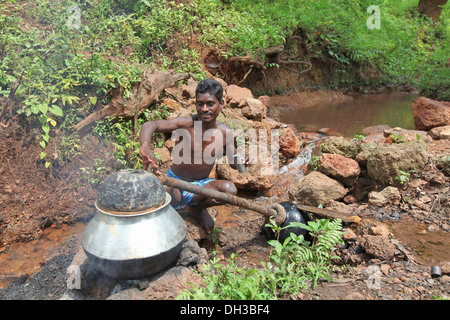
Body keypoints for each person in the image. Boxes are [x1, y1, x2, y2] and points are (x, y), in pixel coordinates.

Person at [139, 79, 249, 233]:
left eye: (210, 104)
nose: (204, 109)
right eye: (200, 104)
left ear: (221, 104)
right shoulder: (186, 124)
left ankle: (197, 209)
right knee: (164, 191)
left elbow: (232, 162)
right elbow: (150, 125)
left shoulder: (225, 133)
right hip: (176, 184)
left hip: (201, 188)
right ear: (195, 104)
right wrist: (145, 145)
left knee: (230, 190)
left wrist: (241, 160)